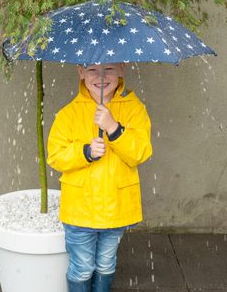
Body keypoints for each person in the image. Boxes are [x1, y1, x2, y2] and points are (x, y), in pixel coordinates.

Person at [47, 63, 152, 292]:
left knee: (105, 265)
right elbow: (55, 156)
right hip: (80, 210)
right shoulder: (68, 114)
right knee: (82, 267)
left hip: (116, 208)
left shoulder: (134, 109)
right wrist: (85, 152)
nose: (101, 76)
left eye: (110, 69)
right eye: (93, 70)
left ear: (122, 70)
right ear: (80, 72)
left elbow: (140, 152)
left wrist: (114, 128)